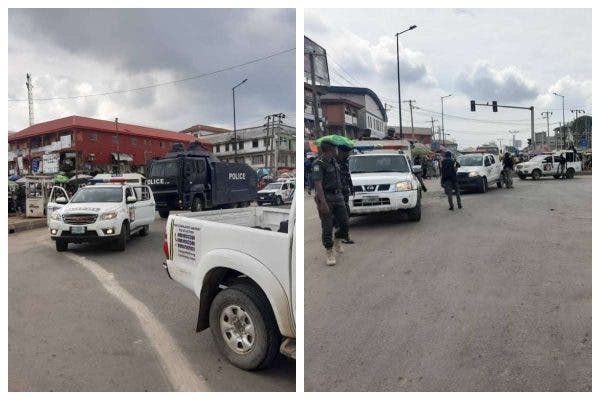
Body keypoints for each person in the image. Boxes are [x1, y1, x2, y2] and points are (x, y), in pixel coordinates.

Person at [312, 140, 350, 266]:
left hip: (338, 196)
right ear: (329, 150)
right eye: (335, 148)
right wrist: (322, 203)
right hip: (326, 197)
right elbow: (318, 184)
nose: (337, 150)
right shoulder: (318, 164)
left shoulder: (335, 162)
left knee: (345, 222)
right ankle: (329, 251)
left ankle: (338, 238)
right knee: (327, 226)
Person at [336, 145, 354, 244]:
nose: (347, 154)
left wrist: (351, 187)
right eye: (346, 152)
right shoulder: (335, 163)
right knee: (341, 215)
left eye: (348, 153)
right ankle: (341, 235)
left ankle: (344, 235)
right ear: (341, 152)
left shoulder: (345, 163)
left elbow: (348, 176)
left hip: (345, 191)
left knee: (346, 213)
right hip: (338, 192)